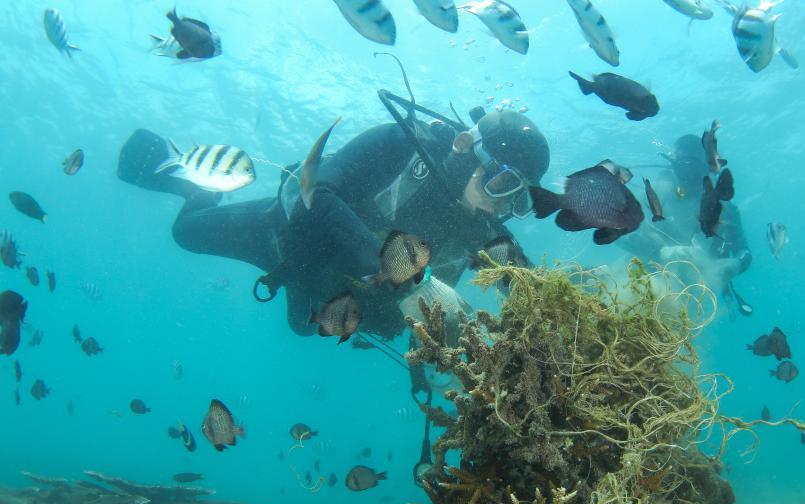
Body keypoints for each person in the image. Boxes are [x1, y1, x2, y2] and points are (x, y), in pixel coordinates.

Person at [116, 93, 550, 339]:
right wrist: (404, 278)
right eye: (502, 183)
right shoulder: (400, 144)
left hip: (331, 286)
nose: (503, 205)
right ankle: (195, 188)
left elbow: (529, 291)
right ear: (466, 148)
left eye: (520, 200)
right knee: (185, 233)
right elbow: (317, 191)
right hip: (282, 237)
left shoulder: (483, 227)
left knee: (302, 329)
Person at [620, 133, 753, 317]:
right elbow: (621, 234)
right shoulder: (655, 195)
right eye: (684, 167)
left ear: (708, 167)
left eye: (695, 168)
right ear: (674, 165)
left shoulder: (726, 209)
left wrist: (735, 264)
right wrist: (662, 252)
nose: (690, 176)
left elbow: (744, 251)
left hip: (692, 297)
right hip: (641, 280)